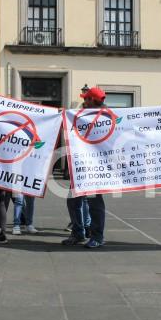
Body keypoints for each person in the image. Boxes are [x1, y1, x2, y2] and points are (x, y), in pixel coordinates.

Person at [62, 86, 107, 249]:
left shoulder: (107, 117)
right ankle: (78, 233)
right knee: (73, 201)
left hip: (97, 169)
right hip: (81, 166)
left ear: (93, 100)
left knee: (95, 204)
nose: (83, 101)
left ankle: (97, 236)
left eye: (86, 98)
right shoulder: (83, 116)